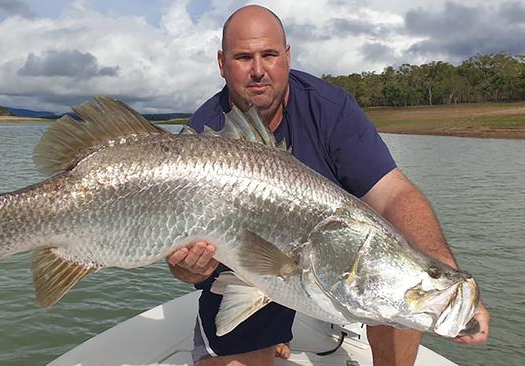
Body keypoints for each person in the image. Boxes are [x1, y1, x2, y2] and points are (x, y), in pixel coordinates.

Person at [167, 5, 490, 366]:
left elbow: (394, 194)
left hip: (332, 263)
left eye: (269, 55)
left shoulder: (331, 108)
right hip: (246, 274)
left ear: (287, 57)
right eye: (243, 57)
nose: (258, 70)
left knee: (399, 295)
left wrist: (439, 267)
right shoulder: (199, 138)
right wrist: (187, 268)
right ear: (222, 63)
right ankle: (271, 333)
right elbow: (186, 264)